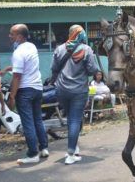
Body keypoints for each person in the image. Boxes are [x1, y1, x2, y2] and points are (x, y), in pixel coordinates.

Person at [51, 25, 98, 165]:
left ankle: (74, 146)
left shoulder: (60, 49)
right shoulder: (87, 50)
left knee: (71, 118)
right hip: (78, 91)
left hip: (61, 89)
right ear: (81, 35)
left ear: (70, 34)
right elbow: (92, 70)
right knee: (75, 120)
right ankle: (70, 153)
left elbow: (53, 69)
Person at [5, 24, 49, 164]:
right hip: (37, 88)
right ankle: (44, 148)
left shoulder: (18, 52)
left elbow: (17, 77)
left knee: (28, 122)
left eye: (12, 33)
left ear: (19, 36)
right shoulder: (31, 46)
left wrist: (12, 96)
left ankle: (32, 154)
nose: (9, 36)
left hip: (25, 90)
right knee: (37, 119)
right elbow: (27, 65)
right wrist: (10, 68)